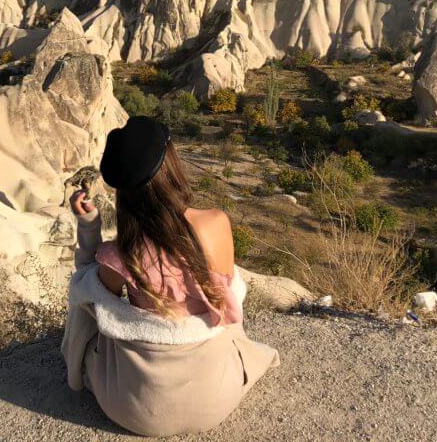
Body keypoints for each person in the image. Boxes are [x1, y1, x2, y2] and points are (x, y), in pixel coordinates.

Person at [61, 115, 279, 437]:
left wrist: (89, 226)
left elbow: (85, 289)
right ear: (172, 167)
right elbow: (227, 307)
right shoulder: (215, 224)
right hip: (216, 399)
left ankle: (77, 371)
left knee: (89, 304)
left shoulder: (120, 254)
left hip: (134, 409)